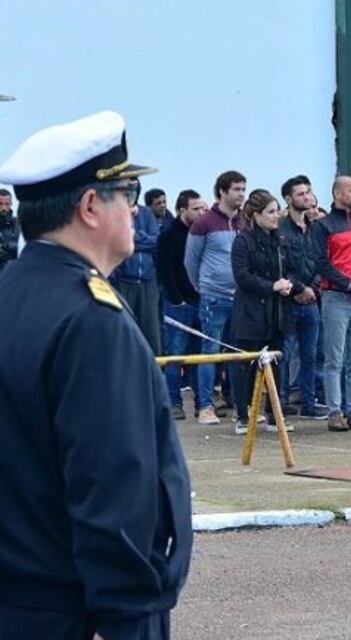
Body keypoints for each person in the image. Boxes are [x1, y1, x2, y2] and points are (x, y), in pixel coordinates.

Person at [0, 110, 191, 639]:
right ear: (90, 207)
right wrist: (125, 617)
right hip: (76, 612)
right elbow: (112, 486)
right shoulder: (91, 321)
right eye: (127, 194)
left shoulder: (12, 293)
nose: (134, 210)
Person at [230, 189, 304, 434]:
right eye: (271, 212)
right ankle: (242, 414)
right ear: (256, 214)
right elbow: (242, 275)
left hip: (278, 311)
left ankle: (274, 414)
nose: (276, 216)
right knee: (247, 365)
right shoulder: (243, 240)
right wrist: (271, 286)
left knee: (276, 363)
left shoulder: (281, 239)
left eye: (277, 211)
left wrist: (289, 285)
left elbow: (293, 269)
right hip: (251, 312)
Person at [310, 176, 351, 432]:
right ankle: (335, 411)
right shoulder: (324, 225)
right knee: (334, 358)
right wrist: (350, 285)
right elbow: (321, 262)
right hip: (337, 297)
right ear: (337, 193)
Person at [185, 170, 246, 424]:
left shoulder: (246, 221)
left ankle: (240, 407)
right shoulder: (204, 223)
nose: (241, 194)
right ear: (222, 192)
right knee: (210, 352)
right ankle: (205, 406)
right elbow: (191, 261)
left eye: (243, 189)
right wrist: (203, 288)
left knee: (238, 354)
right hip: (214, 298)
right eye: (236, 189)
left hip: (241, 298)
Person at [278, 175, 328, 419]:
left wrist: (314, 288)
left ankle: (309, 402)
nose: (307, 197)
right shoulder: (280, 229)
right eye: (300, 194)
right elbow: (281, 265)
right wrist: (299, 289)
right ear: (288, 199)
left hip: (311, 300)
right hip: (288, 300)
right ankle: (281, 402)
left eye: (308, 192)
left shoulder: (316, 227)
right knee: (284, 355)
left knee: (312, 354)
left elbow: (321, 260)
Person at [157, 189, 208, 419]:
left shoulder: (202, 233)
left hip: (201, 300)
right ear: (181, 211)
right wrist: (176, 299)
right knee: (176, 355)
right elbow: (164, 270)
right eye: (196, 209)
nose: (201, 213)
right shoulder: (169, 235)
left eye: (203, 208)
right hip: (179, 303)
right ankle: (174, 402)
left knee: (201, 355)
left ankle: (202, 403)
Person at [110, 200, 161, 353]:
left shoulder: (146, 212)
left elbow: (157, 240)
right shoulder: (114, 209)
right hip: (122, 280)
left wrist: (133, 238)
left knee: (151, 333)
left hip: (147, 280)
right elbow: (117, 240)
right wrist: (139, 239)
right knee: (123, 330)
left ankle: (153, 372)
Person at [0, 187, 19, 271]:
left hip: (13, 272)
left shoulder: (18, 224)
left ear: (11, 204)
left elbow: (24, 248)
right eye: (0, 204)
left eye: (7, 204)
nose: (3, 208)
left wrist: (3, 247)